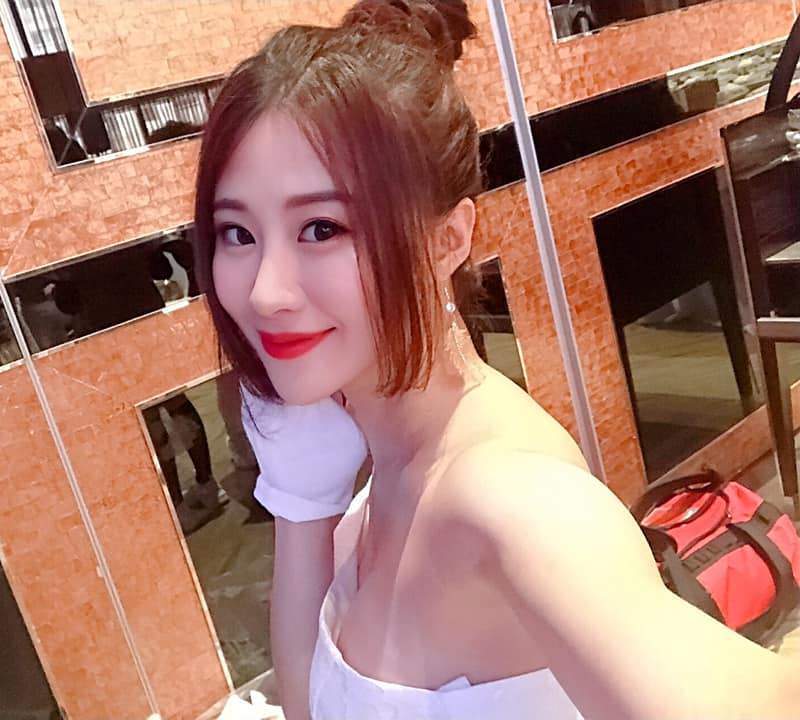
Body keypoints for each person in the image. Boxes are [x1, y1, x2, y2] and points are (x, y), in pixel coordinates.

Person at [192, 1, 800, 718]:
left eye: (321, 228)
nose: (265, 292)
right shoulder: (384, 476)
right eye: (237, 233)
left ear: (449, 240)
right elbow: (310, 704)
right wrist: (302, 504)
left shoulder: (507, 504)